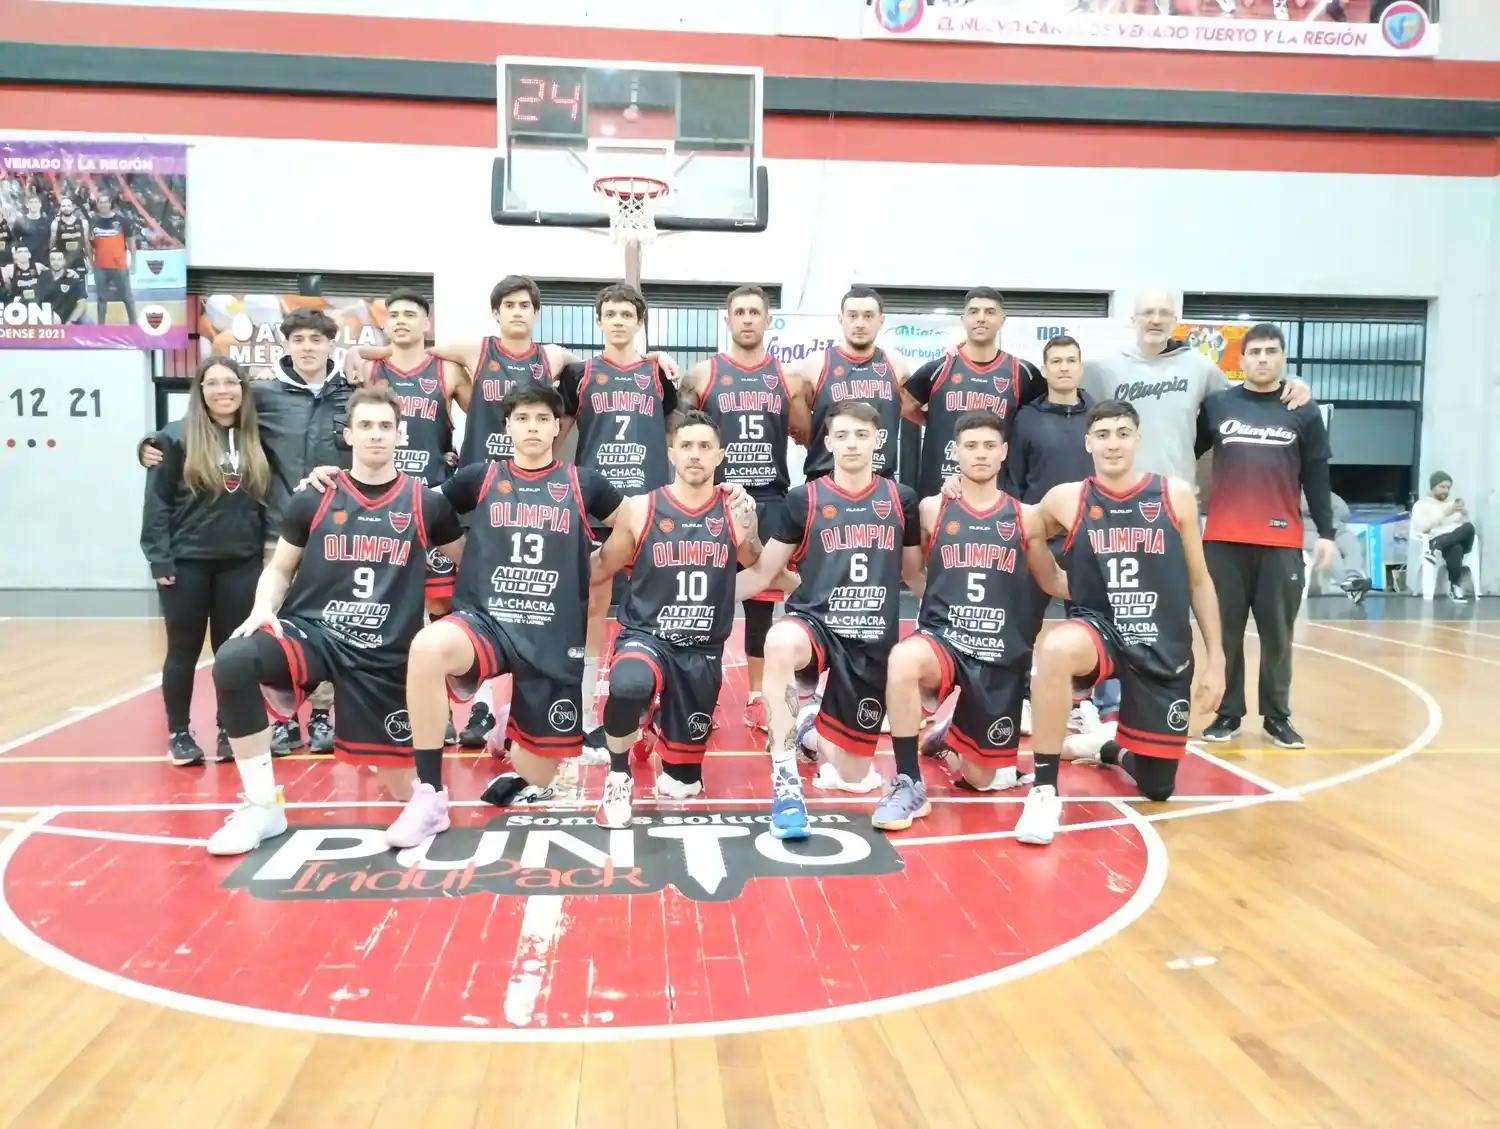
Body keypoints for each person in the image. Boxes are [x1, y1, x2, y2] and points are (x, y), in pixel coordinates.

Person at [206, 386, 464, 855]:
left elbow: (471, 563)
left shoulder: (427, 503)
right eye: (365, 425)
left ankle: (428, 798)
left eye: (385, 426)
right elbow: (280, 568)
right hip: (315, 633)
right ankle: (262, 805)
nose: (375, 434)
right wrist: (263, 608)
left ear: (400, 435)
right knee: (234, 660)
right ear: (348, 435)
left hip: (385, 652)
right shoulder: (315, 497)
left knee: (402, 788)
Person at [384, 385, 625, 848]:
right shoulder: (481, 477)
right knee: (428, 647)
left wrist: (597, 565)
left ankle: (508, 722)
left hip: (550, 634)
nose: (532, 427)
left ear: (557, 428)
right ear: (508, 427)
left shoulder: (583, 483)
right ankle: (430, 795)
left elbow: (635, 521)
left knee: (536, 774)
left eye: (542, 419)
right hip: (487, 622)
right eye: (523, 418)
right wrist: (336, 481)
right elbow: (416, 506)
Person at [140, 307, 354, 754]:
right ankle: (276, 722)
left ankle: (319, 716)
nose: (308, 347)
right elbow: (196, 429)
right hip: (277, 537)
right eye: (299, 339)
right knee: (267, 633)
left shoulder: (349, 395)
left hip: (330, 536)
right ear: (286, 345)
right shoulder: (264, 396)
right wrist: (147, 444)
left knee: (326, 629)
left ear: (332, 344)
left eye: (317, 339)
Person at [1017, 399, 1226, 845]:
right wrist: (1054, 580)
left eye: (1122, 434)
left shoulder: (1174, 496)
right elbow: (1022, 525)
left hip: (1160, 640)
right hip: (1100, 630)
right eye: (1103, 435)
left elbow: (1200, 581)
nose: (1113, 444)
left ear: (1137, 440)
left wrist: (1217, 661)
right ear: (1088, 443)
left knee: (1158, 786)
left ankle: (1107, 748)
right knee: (1056, 649)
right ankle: (1044, 789)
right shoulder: (1067, 498)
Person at [737, 401, 925, 838]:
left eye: (861, 435)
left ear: (878, 440)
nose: (852, 444)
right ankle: (785, 781)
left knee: (852, 775)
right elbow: (765, 573)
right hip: (815, 625)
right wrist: (706, 598)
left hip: (872, 640)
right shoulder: (804, 499)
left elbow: (914, 575)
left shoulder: (902, 499)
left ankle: (808, 728)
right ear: (828, 443)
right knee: (779, 641)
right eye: (842, 436)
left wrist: (946, 620)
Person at [879, 410, 1066, 832]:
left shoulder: (1026, 517)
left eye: (988, 446)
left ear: (1003, 452)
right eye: (971, 446)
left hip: (998, 652)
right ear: (956, 452)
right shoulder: (933, 508)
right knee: (903, 659)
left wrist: (1103, 591)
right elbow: (912, 571)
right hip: (944, 639)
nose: (980, 454)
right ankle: (908, 782)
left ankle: (951, 738)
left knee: (980, 781)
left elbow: (1050, 579)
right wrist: (939, 601)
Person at [589, 410, 764, 827]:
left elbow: (755, 562)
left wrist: (751, 524)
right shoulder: (641, 508)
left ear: (720, 455)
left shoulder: (735, 509)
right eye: (686, 446)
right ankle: (618, 776)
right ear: (671, 453)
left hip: (702, 649)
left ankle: (653, 722)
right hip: (647, 635)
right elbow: (603, 565)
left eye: (705, 446)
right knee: (629, 683)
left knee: (683, 785)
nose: (695, 454)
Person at [1195, 323, 1335, 749]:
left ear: (1282, 357)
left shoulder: (1303, 410)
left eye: (1271, 351)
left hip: (1281, 542)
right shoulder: (1217, 405)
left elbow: (1317, 474)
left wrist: (1326, 532)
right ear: (1241, 360)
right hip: (1223, 540)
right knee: (1225, 633)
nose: (1262, 359)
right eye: (1255, 352)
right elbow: (1185, 450)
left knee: (1278, 636)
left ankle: (1277, 717)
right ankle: (1228, 714)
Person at [679, 285, 809, 731]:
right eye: (740, 312)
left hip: (770, 496)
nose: (748, 319)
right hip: (714, 498)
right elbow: (680, 431)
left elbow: (803, 431)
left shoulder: (787, 377)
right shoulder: (703, 374)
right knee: (703, 598)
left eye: (756, 311)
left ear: (768, 320)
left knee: (761, 603)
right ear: (728, 320)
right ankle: (699, 696)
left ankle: (757, 697)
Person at [557, 283, 680, 742]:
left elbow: (674, 432)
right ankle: (586, 704)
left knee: (656, 604)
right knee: (594, 602)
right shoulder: (579, 374)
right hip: (596, 502)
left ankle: (655, 699)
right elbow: (558, 433)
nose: (619, 321)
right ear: (599, 321)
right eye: (611, 314)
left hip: (649, 503)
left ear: (639, 321)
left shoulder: (659, 373)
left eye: (627, 314)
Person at [141, 356, 270, 766]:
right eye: (212, 383)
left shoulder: (257, 437)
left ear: (243, 389)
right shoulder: (173, 437)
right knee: (183, 650)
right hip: (186, 564)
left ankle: (229, 729)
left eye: (231, 382)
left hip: (241, 563)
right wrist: (159, 560)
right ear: (200, 391)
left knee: (233, 654)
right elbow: (157, 503)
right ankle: (179, 733)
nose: (222, 390)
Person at [901, 287, 1046, 498]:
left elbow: (1040, 422)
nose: (981, 318)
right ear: (963, 319)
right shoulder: (939, 368)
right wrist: (935, 420)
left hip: (999, 490)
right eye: (974, 311)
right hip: (941, 486)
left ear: (1002, 320)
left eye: (990, 312)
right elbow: (905, 406)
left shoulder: (1022, 372)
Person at [784, 286, 917, 483]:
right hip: (826, 478)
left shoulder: (896, 365)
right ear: (841, 319)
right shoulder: (816, 364)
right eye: (852, 316)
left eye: (868, 316)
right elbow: (800, 429)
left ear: (881, 320)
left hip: (879, 479)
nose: (860, 323)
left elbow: (918, 412)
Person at [1413, 471, 1477, 602]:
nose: (1445, 491)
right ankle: (1455, 587)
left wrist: (1465, 513)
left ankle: (1436, 548)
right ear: (1433, 487)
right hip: (1438, 537)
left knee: (1469, 527)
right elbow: (1421, 529)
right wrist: (1444, 514)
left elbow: (1466, 528)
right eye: (1442, 487)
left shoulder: (1453, 504)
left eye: (1448, 487)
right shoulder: (1421, 505)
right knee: (1455, 548)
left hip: (1456, 539)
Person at [1302, 490, 1371, 604]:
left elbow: (1344, 511)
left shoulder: (1319, 490)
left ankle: (1353, 576)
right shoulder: (1290, 494)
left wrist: (1327, 516)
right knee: (1331, 552)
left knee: (1352, 544)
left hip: (1334, 529)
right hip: (1307, 532)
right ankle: (1348, 584)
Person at [88, 190, 136, 327]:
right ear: (97, 205)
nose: (103, 205)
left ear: (110, 204)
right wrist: (91, 263)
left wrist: (134, 263)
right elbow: (89, 245)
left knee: (127, 297)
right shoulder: (93, 222)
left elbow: (131, 244)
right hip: (100, 267)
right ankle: (101, 327)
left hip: (119, 266)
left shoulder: (122, 221)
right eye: (100, 202)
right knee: (101, 298)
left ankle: (134, 326)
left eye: (105, 202)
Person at [36, 248, 87, 325]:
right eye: (53, 259)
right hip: (46, 318)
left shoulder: (73, 278)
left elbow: (82, 303)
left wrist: (71, 321)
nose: (56, 262)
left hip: (67, 318)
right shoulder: (43, 276)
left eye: (59, 259)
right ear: (49, 261)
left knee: (87, 321)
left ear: (64, 261)